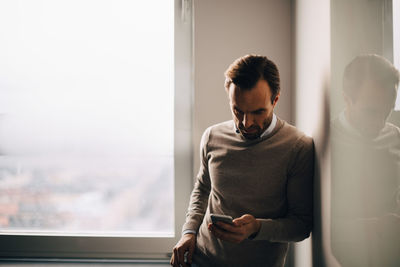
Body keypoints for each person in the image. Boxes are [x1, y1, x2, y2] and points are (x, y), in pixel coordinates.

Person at [170, 54, 314, 267]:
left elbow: (301, 226)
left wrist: (256, 228)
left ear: (275, 100)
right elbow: (203, 189)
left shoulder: (298, 147)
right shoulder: (212, 136)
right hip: (200, 260)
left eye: (258, 112)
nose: (246, 123)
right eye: (238, 110)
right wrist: (189, 232)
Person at [331, 54, 400, 266]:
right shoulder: (321, 145)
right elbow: (310, 222)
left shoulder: (396, 137)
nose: (380, 122)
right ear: (346, 98)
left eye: (387, 110)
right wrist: (375, 226)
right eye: (371, 111)